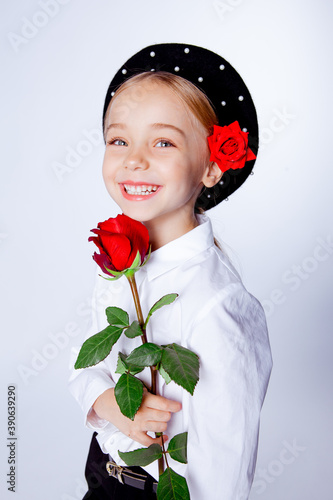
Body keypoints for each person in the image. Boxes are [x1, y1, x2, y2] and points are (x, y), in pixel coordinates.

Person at [69, 43, 273, 500]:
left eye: (163, 142)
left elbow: (223, 469)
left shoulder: (218, 304)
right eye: (119, 140)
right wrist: (115, 408)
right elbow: (83, 366)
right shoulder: (122, 262)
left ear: (213, 165)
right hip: (104, 479)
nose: (134, 159)